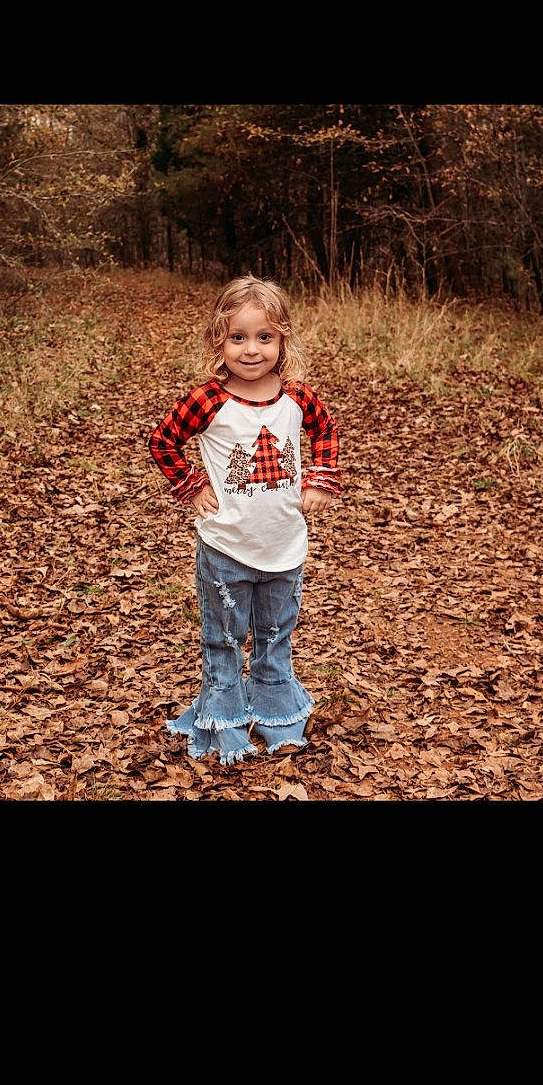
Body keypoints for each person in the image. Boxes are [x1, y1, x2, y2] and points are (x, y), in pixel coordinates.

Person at [148, 275, 342, 766]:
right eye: (238, 337)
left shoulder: (298, 397)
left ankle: (277, 715)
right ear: (219, 339)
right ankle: (225, 723)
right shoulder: (207, 400)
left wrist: (320, 478)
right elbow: (162, 441)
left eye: (264, 338)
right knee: (225, 637)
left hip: (284, 545)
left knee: (276, 634)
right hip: (226, 547)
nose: (251, 350)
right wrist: (192, 484)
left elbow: (325, 431)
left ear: (283, 340)